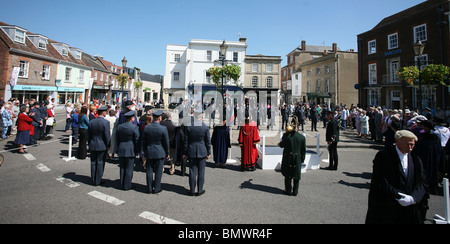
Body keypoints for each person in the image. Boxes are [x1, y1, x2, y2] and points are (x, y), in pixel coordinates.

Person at [366, 130, 429, 224]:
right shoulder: (384, 156)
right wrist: (398, 195)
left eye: (413, 144)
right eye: (408, 144)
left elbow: (422, 182)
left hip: (410, 208)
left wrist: (413, 198)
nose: (411, 147)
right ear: (398, 141)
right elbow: (381, 180)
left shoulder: (416, 159)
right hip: (389, 207)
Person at [183, 110, 211, 196]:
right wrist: (209, 152)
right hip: (202, 150)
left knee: (192, 171)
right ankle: (200, 190)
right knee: (201, 172)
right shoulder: (205, 127)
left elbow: (186, 141)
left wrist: (185, 152)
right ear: (201, 117)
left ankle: (192, 190)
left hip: (191, 150)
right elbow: (208, 141)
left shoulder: (189, 126)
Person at [142, 110, 169, 194]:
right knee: (158, 171)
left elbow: (144, 141)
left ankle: (149, 188)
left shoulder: (147, 127)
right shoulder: (163, 128)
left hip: (149, 151)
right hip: (159, 151)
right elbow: (166, 142)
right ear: (160, 118)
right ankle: (157, 187)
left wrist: (144, 151)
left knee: (149, 170)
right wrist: (167, 152)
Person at [279, 123, 306, 196]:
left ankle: (288, 190)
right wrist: (302, 159)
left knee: (288, 174)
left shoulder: (287, 136)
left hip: (288, 157)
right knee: (296, 174)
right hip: (297, 158)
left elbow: (281, 145)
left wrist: (284, 136)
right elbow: (303, 150)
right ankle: (295, 191)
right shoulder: (302, 137)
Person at [87, 106, 111, 186]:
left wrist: (90, 142)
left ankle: (93, 179)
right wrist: (108, 145)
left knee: (93, 162)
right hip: (102, 145)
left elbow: (88, 135)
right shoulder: (105, 122)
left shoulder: (91, 122)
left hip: (93, 144)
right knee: (100, 162)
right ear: (103, 112)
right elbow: (107, 136)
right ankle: (98, 180)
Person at [116, 110, 140, 190]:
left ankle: (122, 183)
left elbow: (117, 139)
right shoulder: (134, 127)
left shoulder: (120, 127)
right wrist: (137, 150)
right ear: (132, 119)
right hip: (130, 148)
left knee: (122, 167)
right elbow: (137, 140)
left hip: (122, 147)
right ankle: (127, 185)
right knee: (129, 168)